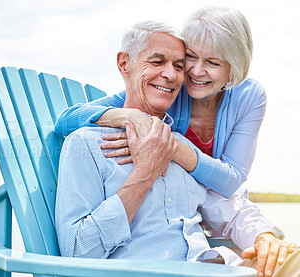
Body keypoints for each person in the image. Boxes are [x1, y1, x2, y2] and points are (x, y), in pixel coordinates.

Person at [55, 21, 299, 277]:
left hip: (215, 266)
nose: (171, 75)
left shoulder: (179, 146)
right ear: (124, 64)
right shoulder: (86, 144)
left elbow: (227, 207)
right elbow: (78, 251)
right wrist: (144, 175)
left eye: (179, 66)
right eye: (157, 62)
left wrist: (264, 236)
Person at [54, 6, 265, 199]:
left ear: (234, 66)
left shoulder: (249, 97)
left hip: (222, 211)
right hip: (176, 207)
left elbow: (231, 181)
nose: (197, 72)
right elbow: (66, 120)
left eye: (212, 62)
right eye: (190, 56)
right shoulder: (168, 88)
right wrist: (131, 116)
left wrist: (168, 145)